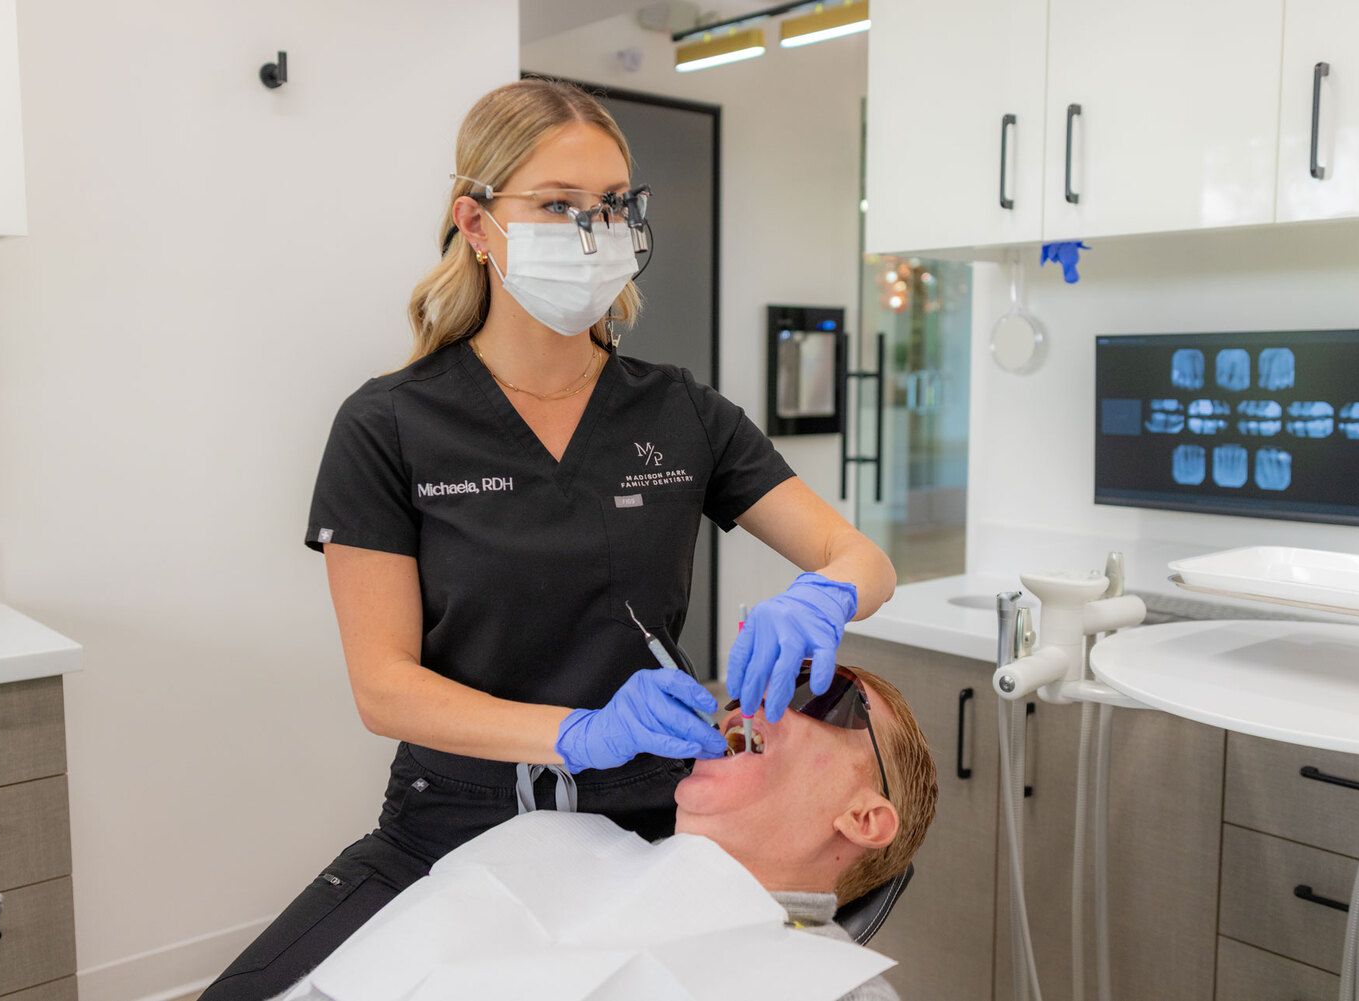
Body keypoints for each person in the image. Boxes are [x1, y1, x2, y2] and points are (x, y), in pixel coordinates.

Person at [199, 77, 897, 1000]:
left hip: (649, 822)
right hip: (450, 818)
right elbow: (384, 686)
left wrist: (829, 590)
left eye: (612, 204)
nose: (593, 230)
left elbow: (864, 558)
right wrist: (578, 731)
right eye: (557, 205)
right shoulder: (388, 426)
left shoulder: (679, 410)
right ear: (477, 224)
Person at [269, 662, 938, 1001]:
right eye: (762, 675)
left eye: (816, 688)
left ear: (864, 817)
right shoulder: (556, 841)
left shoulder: (835, 988)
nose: (757, 697)